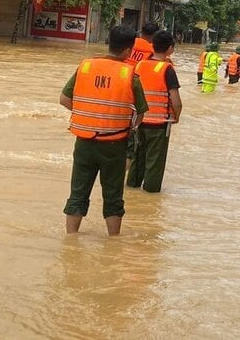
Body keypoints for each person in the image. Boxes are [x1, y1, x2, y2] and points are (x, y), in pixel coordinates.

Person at [60, 25, 148, 236]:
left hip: (84, 142)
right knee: (113, 197)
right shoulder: (130, 75)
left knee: (78, 193)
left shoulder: (85, 67)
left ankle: (71, 239)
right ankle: (113, 242)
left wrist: (90, 114)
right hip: (114, 145)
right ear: (128, 50)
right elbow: (140, 115)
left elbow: (64, 99)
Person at [126, 30, 182, 193]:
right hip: (159, 125)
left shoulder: (140, 65)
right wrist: (176, 117)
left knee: (138, 157)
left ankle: (131, 189)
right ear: (170, 48)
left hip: (138, 121)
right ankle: (150, 194)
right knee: (155, 163)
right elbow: (176, 101)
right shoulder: (167, 69)